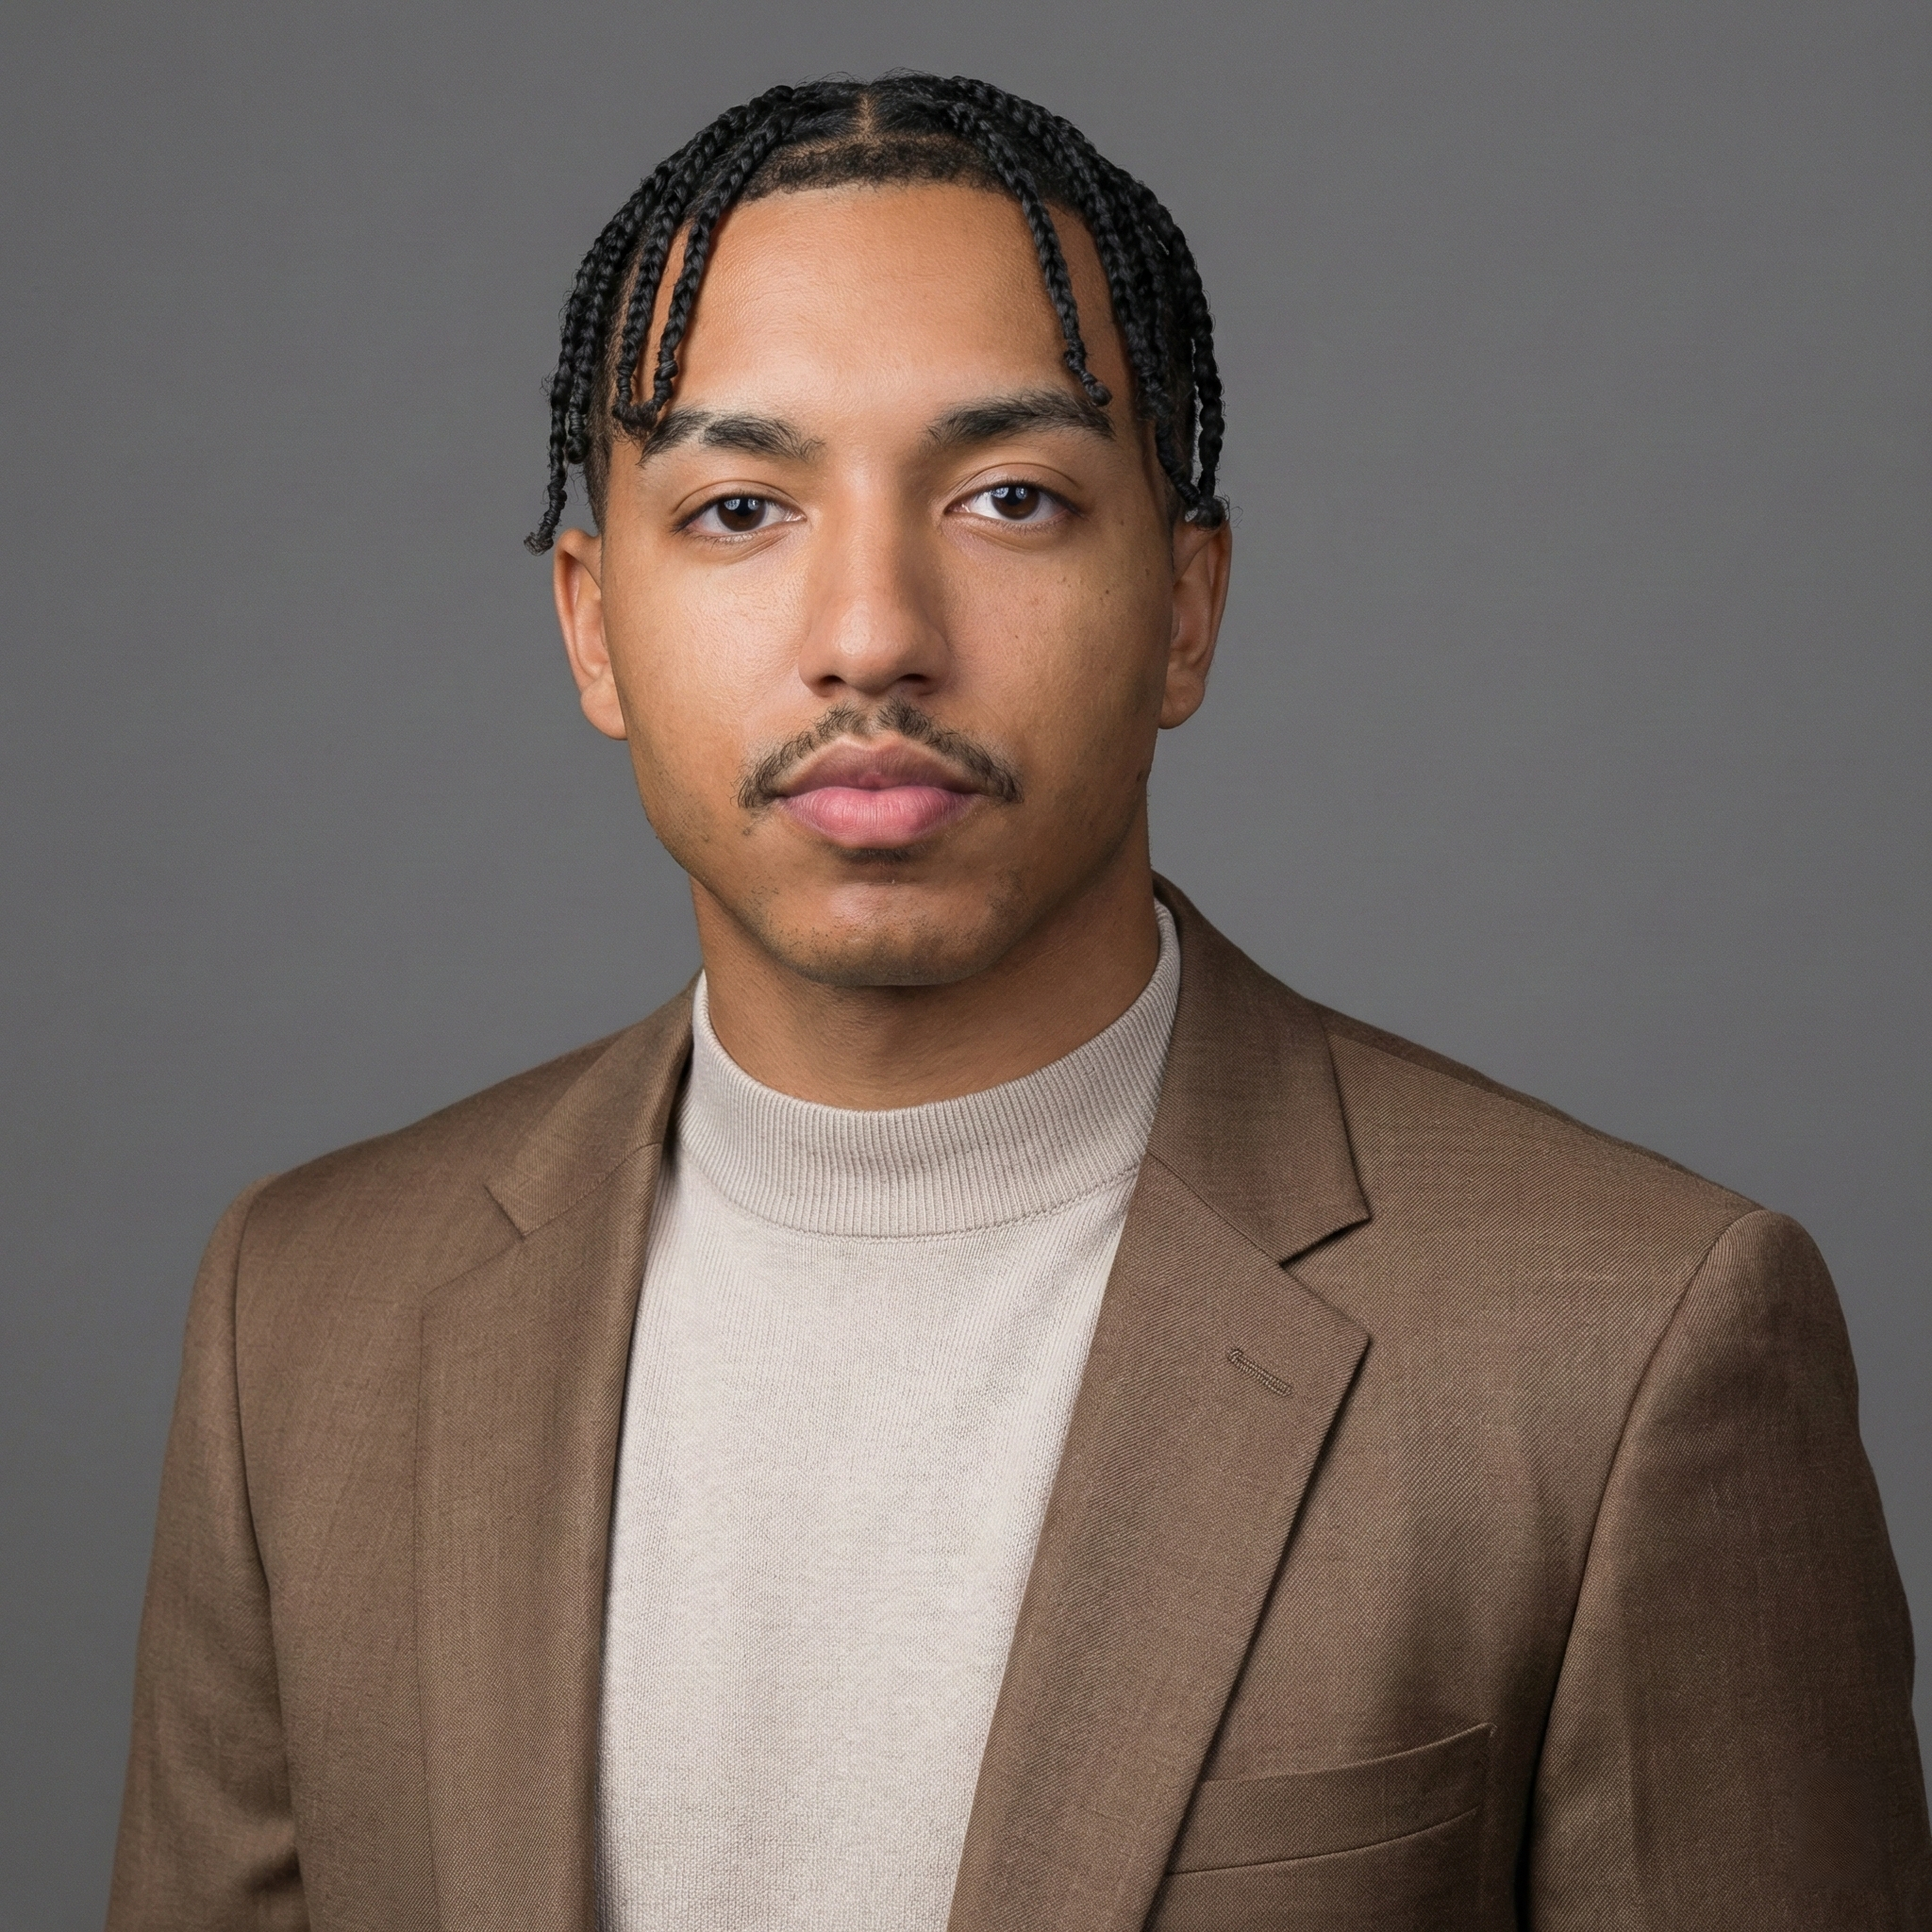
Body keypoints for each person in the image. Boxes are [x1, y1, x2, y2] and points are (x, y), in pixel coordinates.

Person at [108, 74, 1928, 1932]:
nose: (874, 626)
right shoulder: (308, 1315)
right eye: (740, 505)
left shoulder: (1625, 1345)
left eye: (1008, 497)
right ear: (591, 621)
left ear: (1183, 609)